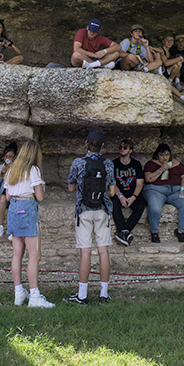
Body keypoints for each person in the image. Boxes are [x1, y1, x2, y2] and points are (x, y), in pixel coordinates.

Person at [66, 129, 118, 304]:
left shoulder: (78, 163)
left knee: (85, 252)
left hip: (83, 211)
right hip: (102, 210)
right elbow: (111, 192)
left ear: (86, 143)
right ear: (102, 146)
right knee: (103, 251)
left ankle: (82, 295)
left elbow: (71, 187)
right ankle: (104, 294)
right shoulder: (109, 164)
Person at [5, 140, 53, 308]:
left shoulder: (12, 170)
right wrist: (42, 187)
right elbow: (39, 197)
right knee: (34, 255)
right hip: (27, 208)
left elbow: (7, 196)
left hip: (13, 208)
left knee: (17, 253)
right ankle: (34, 295)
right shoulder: (33, 170)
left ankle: (19, 292)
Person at [142, 143, 184, 243]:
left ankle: (180, 231)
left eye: (167, 155)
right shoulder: (151, 164)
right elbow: (148, 179)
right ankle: (154, 232)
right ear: (157, 155)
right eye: (162, 155)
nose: (165, 157)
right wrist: (161, 169)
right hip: (156, 190)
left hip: (174, 191)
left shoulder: (176, 163)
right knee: (155, 207)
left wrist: (183, 190)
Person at [110, 137, 146, 245]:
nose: (122, 149)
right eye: (120, 147)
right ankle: (123, 231)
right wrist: (120, 196)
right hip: (118, 192)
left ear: (130, 151)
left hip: (132, 192)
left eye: (125, 147)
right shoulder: (114, 164)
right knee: (113, 203)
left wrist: (133, 197)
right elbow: (112, 183)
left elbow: (140, 184)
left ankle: (124, 231)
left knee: (141, 204)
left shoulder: (136, 164)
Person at [0, 142, 17, 238]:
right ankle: (0, 227)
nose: (8, 158)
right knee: (2, 199)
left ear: (14, 158)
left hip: (16, 194)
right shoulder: (0, 168)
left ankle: (12, 230)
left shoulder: (18, 168)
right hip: (4, 194)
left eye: (10, 156)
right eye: (6, 156)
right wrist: (1, 174)